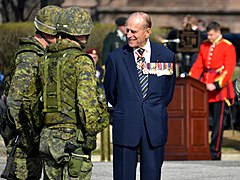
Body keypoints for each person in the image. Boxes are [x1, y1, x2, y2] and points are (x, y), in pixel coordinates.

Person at [38, 6, 109, 179]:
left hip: (48, 136)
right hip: (73, 139)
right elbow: (87, 104)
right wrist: (92, 132)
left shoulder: (45, 59)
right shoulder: (81, 61)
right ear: (83, 33)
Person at [104, 12, 176, 179]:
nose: (129, 35)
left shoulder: (166, 56)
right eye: (128, 31)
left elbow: (167, 92)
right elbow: (111, 92)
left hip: (154, 126)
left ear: (147, 32)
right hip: (126, 125)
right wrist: (129, 106)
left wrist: (152, 109)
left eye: (134, 31)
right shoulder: (115, 58)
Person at [4, 5, 63, 179]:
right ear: (49, 32)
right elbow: (16, 101)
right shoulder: (30, 56)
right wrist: (27, 136)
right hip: (24, 140)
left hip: (34, 134)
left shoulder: (43, 54)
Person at [189, 21, 236, 160]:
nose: (209, 37)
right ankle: (201, 149)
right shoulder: (204, 45)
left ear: (217, 32)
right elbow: (198, 65)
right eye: (208, 35)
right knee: (201, 121)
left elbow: (229, 69)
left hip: (220, 91)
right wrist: (192, 80)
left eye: (211, 35)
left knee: (217, 123)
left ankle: (215, 152)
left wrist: (216, 84)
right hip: (204, 87)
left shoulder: (228, 47)